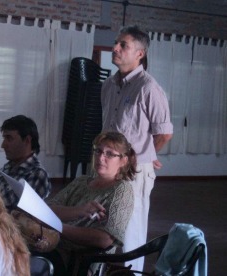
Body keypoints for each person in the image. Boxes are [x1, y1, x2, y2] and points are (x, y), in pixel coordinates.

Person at [101, 25, 173, 271]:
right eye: (116, 43)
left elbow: (164, 132)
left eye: (124, 45)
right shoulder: (109, 85)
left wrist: (145, 155)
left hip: (134, 170)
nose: (115, 48)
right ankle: (100, 267)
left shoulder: (148, 88)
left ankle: (133, 272)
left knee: (132, 227)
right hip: (107, 165)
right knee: (104, 219)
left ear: (139, 54)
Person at [43, 132, 136, 275]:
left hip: (79, 261)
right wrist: (78, 211)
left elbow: (104, 239)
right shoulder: (81, 181)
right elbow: (47, 209)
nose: (100, 157)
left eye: (109, 154)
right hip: (53, 246)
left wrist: (59, 227)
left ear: (123, 161)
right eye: (98, 151)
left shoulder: (121, 190)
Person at [0, 115, 51, 211]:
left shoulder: (37, 174)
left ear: (27, 140)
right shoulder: (9, 166)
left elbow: (16, 212)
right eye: (4, 138)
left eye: (9, 138)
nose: (3, 145)